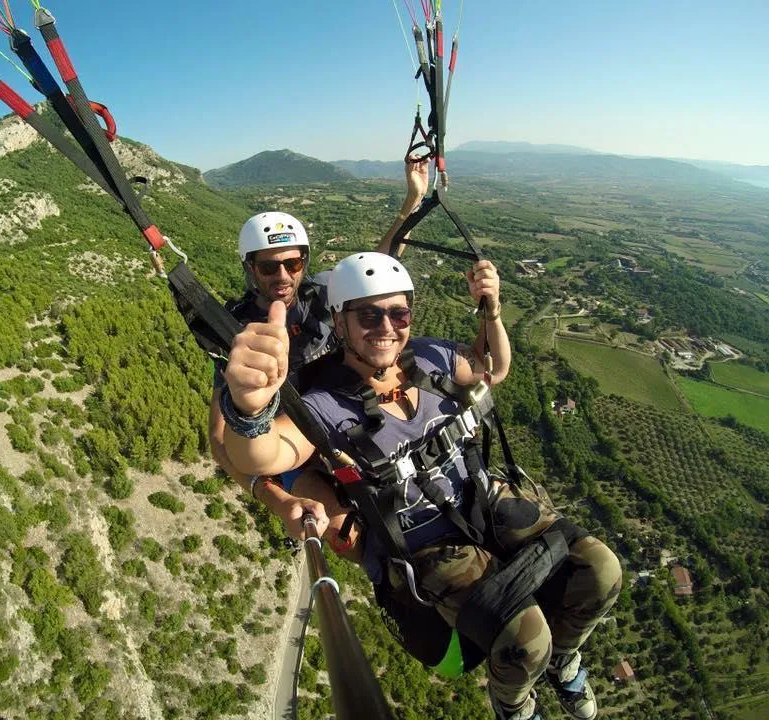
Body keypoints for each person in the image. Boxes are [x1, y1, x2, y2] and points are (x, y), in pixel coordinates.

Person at [219, 252, 622, 720]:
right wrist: (249, 410)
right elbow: (263, 455)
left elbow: (493, 369)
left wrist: (490, 311)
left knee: (601, 570)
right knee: (525, 639)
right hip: (423, 540)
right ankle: (514, 702)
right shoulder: (324, 404)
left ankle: (563, 661)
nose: (386, 326)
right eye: (367, 315)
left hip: (483, 498)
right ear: (339, 321)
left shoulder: (433, 358)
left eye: (398, 313)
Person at [207, 158, 436, 539]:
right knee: (344, 532)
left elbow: (378, 268)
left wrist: (411, 203)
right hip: (289, 435)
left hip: (347, 414)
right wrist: (278, 500)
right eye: (269, 267)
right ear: (250, 269)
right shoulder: (236, 332)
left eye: (293, 263)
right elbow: (220, 440)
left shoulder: (323, 295)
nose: (284, 276)